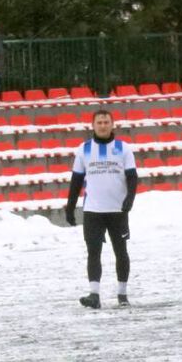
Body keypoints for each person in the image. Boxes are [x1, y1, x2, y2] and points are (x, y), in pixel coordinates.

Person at [63, 108, 139, 309]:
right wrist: (70, 207)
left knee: (120, 251)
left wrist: (129, 199)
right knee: (93, 252)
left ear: (112, 124)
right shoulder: (84, 149)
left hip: (117, 210)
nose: (103, 125)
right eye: (99, 122)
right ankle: (94, 294)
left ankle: (122, 294)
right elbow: (76, 180)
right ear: (93, 125)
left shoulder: (124, 148)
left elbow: (132, 177)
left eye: (106, 122)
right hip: (93, 211)